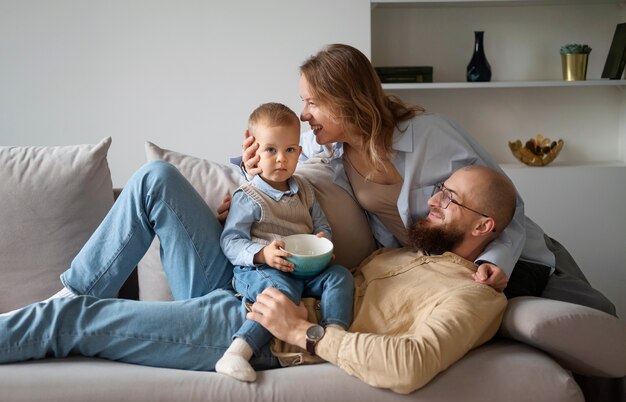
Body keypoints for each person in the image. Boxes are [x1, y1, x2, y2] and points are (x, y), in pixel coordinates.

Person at [0, 165, 515, 395]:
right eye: (440, 189)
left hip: (263, 325)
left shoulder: (473, 294)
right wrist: (240, 218)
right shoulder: (404, 252)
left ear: (483, 227)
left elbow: (411, 364)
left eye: (450, 199)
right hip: (253, 275)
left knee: (73, 321)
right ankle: (75, 286)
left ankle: (59, 312)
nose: (433, 200)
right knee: (155, 180)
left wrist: (304, 333)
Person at [237, 43, 615, 317]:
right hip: (450, 269)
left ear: (346, 102)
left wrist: (496, 259)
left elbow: (505, 200)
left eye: (312, 102)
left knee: (603, 321)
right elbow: (271, 156)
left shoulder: (432, 135)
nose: (303, 114)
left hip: (523, 254)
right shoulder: (329, 148)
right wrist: (245, 184)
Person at [216, 102, 353, 382]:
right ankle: (238, 351)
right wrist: (262, 254)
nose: (281, 159)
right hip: (260, 271)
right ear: (254, 150)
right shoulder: (248, 196)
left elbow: (321, 225)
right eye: (271, 150)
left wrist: (323, 241)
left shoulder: (304, 189)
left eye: (289, 150)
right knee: (282, 292)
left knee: (340, 275)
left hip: (303, 267)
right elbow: (230, 241)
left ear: (299, 152)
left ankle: (334, 338)